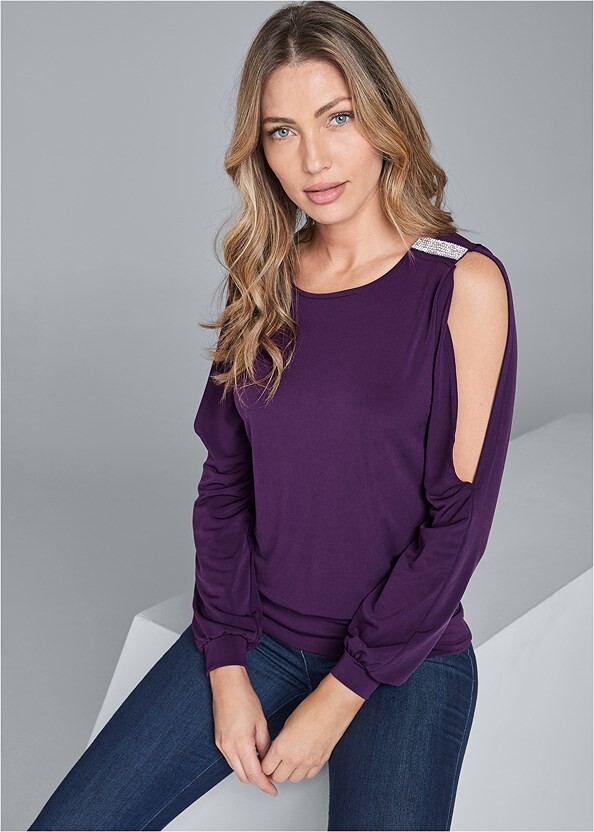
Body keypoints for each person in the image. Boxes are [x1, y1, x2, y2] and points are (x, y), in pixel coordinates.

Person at [28, 1, 518, 830]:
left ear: (383, 119)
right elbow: (225, 485)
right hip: (258, 635)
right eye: (282, 131)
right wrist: (225, 667)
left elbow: (458, 522)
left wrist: (340, 695)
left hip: (402, 661)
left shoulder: (462, 283)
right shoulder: (264, 277)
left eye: (337, 118)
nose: (313, 159)